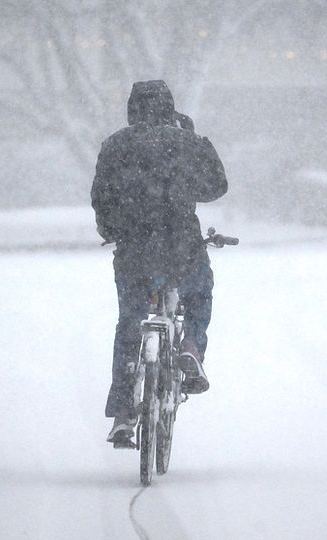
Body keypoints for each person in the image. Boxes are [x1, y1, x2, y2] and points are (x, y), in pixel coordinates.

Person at [91, 80, 228, 447]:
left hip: (135, 250)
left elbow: (101, 196)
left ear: (132, 108)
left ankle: (123, 411)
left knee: (129, 322)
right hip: (181, 245)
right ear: (170, 106)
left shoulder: (116, 145)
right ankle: (191, 349)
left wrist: (113, 229)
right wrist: (195, 143)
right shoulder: (184, 141)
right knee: (199, 293)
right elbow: (216, 187)